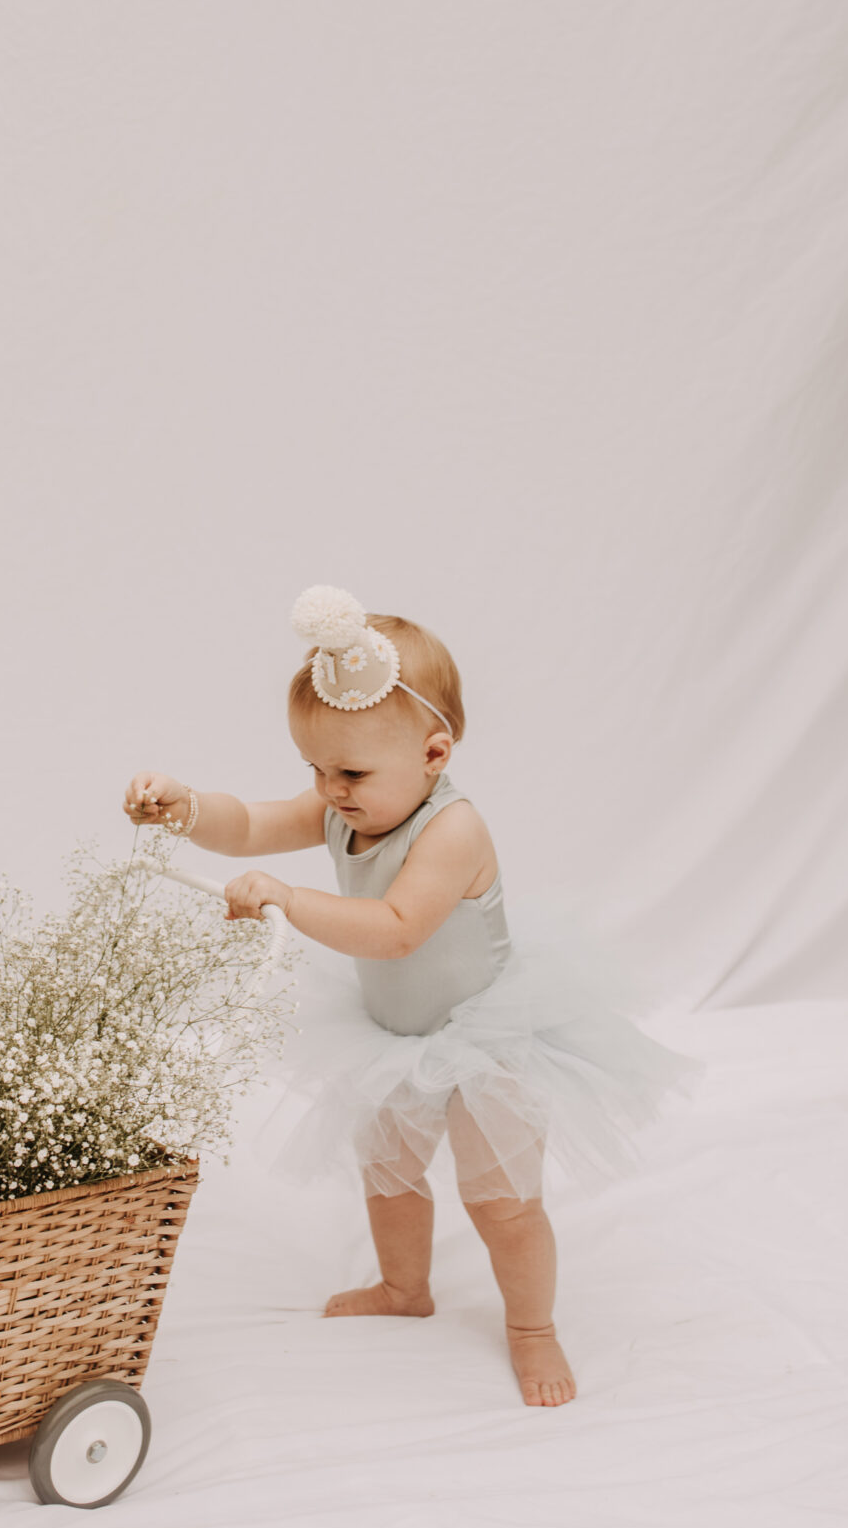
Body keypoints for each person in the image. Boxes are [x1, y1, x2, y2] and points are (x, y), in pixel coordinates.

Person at [124, 586, 696, 1408]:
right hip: (393, 1032)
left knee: (500, 1201)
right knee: (389, 1176)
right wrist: (185, 808)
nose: (329, 790)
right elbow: (248, 823)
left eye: (350, 771)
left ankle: (531, 1327)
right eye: (314, 769)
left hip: (484, 1035)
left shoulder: (451, 830)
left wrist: (285, 898)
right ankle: (403, 1287)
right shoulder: (339, 807)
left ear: (434, 754)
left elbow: (395, 929)